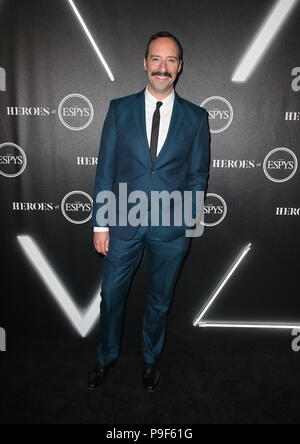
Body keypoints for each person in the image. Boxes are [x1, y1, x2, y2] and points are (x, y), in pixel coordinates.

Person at [87, 31, 210, 392]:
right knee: (111, 295)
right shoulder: (119, 109)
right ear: (144, 63)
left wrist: (186, 219)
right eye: (156, 59)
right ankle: (105, 357)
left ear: (180, 67)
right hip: (123, 221)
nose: (162, 67)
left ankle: (150, 360)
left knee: (159, 300)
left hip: (170, 230)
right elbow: (105, 169)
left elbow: (198, 173)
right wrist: (100, 223)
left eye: (171, 60)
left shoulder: (196, 117)